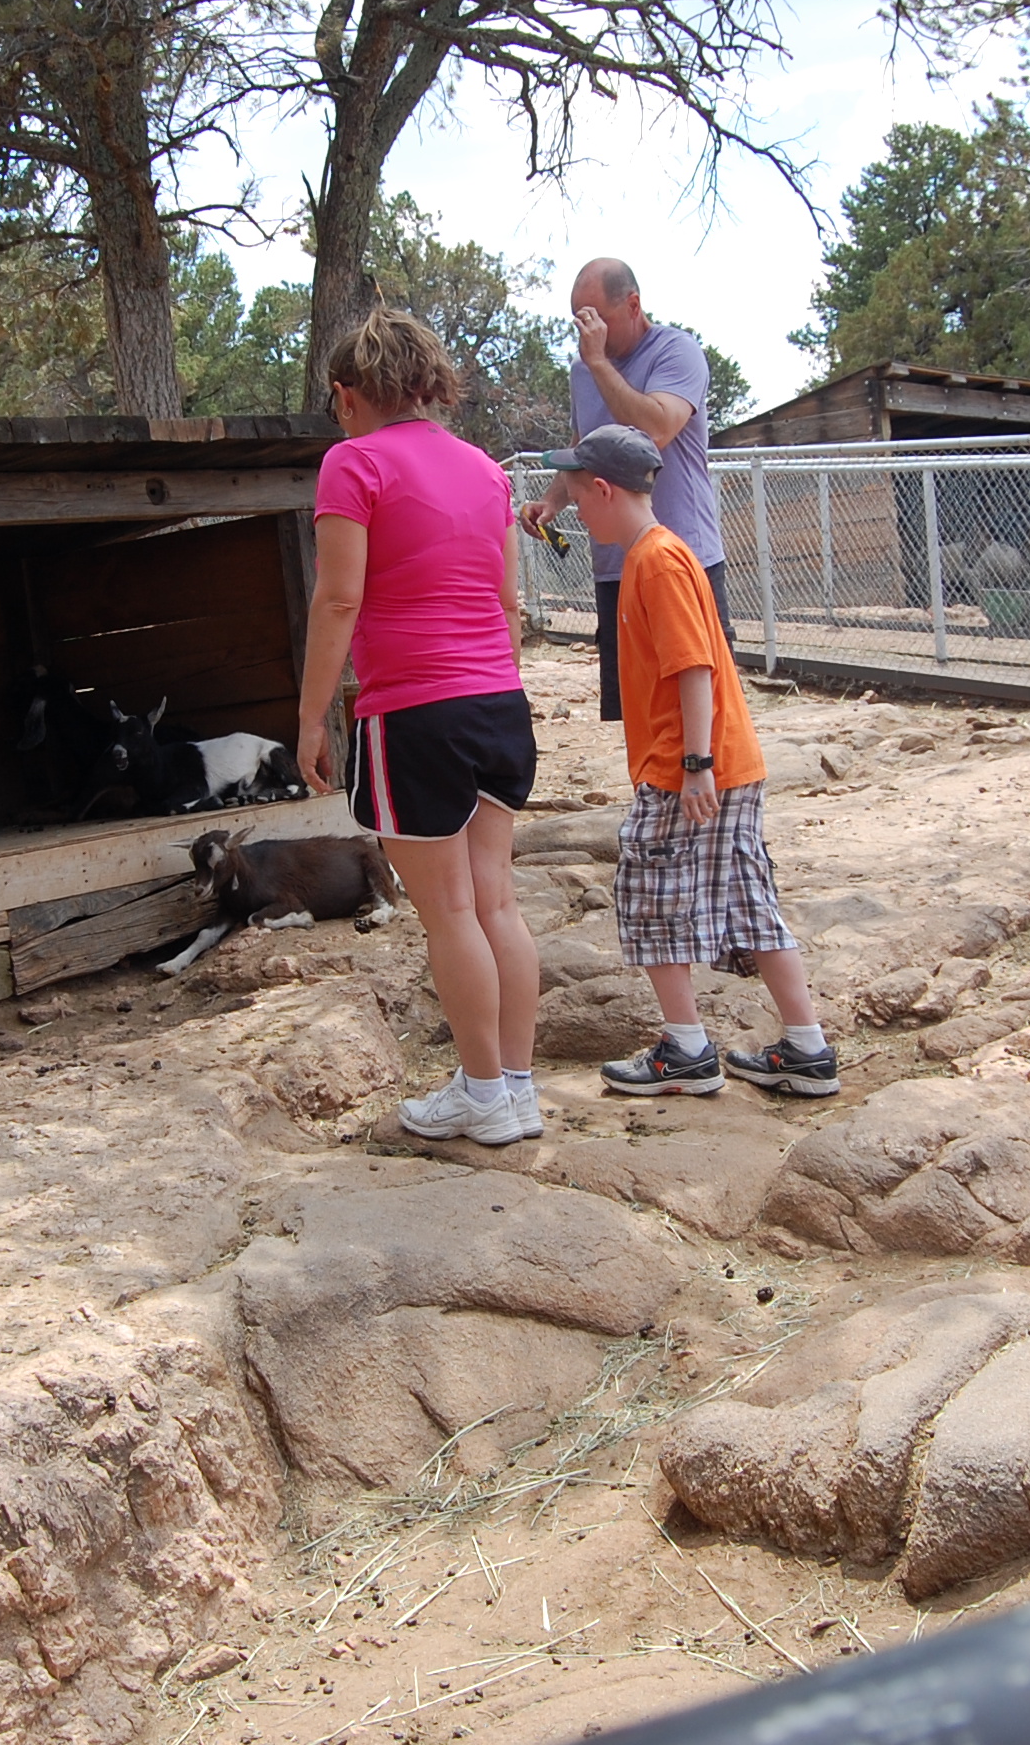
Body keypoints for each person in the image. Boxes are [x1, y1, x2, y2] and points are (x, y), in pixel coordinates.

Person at [296, 307, 545, 1146]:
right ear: (427, 383)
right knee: (497, 902)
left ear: (347, 393)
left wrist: (311, 718)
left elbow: (339, 599)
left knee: (450, 914)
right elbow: (507, 604)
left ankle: (483, 1095)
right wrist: (496, 686)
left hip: (414, 711)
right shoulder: (486, 470)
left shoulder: (353, 462)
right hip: (499, 705)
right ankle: (516, 1090)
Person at [547, 423, 837, 1097]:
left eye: (577, 495)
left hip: (690, 768)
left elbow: (694, 666)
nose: (576, 509)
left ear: (604, 489)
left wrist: (696, 764)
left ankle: (687, 1050)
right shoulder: (656, 554)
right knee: (748, 900)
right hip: (716, 764)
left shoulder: (656, 560)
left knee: (648, 897)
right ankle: (806, 1049)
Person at [518, 259, 731, 723]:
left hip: (682, 558)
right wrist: (552, 502)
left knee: (704, 707)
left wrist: (598, 363)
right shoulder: (582, 371)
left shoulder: (677, 352)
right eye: (579, 320)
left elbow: (655, 430)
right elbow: (584, 447)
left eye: (597, 318)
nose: (587, 331)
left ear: (633, 305)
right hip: (616, 569)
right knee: (634, 715)